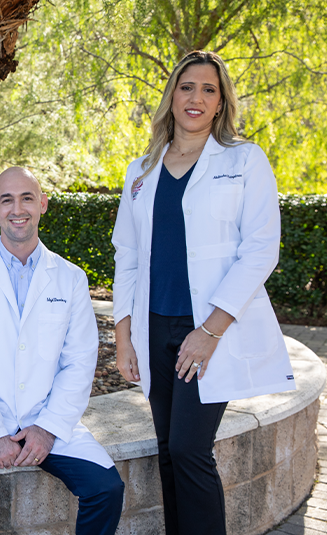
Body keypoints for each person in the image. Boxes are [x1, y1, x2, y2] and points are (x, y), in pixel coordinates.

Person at [112, 50, 296, 535]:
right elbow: (127, 256)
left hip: (208, 328)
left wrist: (209, 332)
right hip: (153, 327)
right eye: (187, 87)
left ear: (220, 103)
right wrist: (124, 336)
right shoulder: (141, 171)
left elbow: (261, 251)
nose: (196, 97)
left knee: (191, 451)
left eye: (208, 90)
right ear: (172, 96)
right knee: (170, 451)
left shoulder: (244, 160)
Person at [0, 167, 124, 535]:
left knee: (106, 488)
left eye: (27, 198)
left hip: (47, 417)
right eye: (6, 199)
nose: (17, 208)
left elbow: (80, 361)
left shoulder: (70, 277)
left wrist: (49, 428)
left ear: (43, 204)